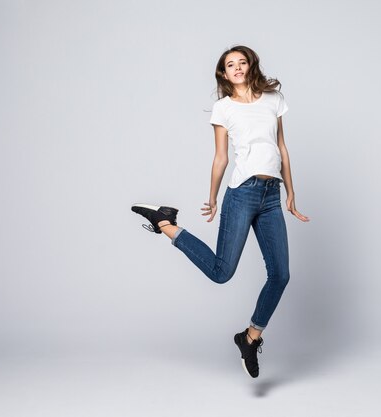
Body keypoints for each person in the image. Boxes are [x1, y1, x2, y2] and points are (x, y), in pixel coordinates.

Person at [131, 45, 309, 378]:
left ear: (251, 66)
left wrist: (291, 192)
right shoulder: (223, 108)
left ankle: (250, 337)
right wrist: (212, 198)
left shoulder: (273, 99)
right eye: (231, 65)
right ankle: (165, 222)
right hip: (241, 194)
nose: (238, 68)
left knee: (281, 275)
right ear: (224, 74)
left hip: (271, 196)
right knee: (221, 271)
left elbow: (282, 148)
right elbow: (221, 158)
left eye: (243, 62)